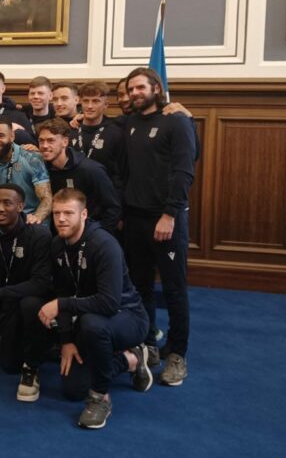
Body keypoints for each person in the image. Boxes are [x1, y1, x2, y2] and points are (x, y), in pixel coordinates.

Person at [37, 189, 152, 429]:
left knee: (92, 324)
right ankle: (132, 359)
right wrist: (66, 340)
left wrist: (61, 305)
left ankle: (101, 397)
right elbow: (63, 292)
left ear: (84, 214)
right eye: (57, 213)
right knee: (72, 390)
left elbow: (108, 303)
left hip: (128, 317)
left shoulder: (104, 245)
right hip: (89, 317)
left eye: (69, 213)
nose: (61, 219)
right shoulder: (57, 244)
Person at [120, 67, 196, 386]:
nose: (135, 93)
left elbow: (184, 171)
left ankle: (177, 354)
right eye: (131, 89)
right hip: (134, 220)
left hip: (166, 220)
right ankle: (149, 343)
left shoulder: (176, 121)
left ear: (156, 87)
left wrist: (170, 214)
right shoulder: (130, 124)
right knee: (140, 288)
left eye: (141, 87)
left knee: (174, 288)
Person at [0, 184, 52, 401]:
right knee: (8, 366)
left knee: (29, 304)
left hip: (29, 299)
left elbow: (41, 283)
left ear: (21, 207)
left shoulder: (39, 235)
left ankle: (34, 364)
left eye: (7, 203)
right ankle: (5, 334)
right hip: (5, 300)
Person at [37, 118, 121, 234]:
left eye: (51, 140)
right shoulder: (41, 169)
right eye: (41, 141)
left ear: (65, 142)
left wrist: (97, 235)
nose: (44, 145)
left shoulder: (91, 170)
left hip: (89, 236)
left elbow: (113, 208)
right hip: (58, 237)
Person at [72, 81, 124, 188]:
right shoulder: (72, 131)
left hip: (106, 194)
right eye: (86, 101)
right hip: (76, 195)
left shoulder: (116, 132)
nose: (90, 106)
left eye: (96, 101)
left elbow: (121, 171)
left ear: (106, 105)